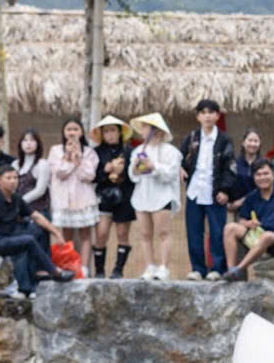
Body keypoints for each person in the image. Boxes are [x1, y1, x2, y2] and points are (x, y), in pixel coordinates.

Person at [0, 164, 75, 295]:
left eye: (15, 178)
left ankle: (38, 272)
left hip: (9, 237)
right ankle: (54, 272)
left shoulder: (16, 198)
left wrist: (56, 232)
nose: (13, 181)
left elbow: (36, 216)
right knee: (28, 240)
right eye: (8, 178)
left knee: (38, 229)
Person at [178, 99, 234, 281]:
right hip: (194, 190)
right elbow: (180, 159)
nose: (207, 116)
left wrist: (225, 190)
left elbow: (230, 167)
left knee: (217, 231)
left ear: (218, 116)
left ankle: (217, 268)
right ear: (198, 116)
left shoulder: (224, 139)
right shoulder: (191, 138)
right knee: (194, 231)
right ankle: (197, 268)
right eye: (203, 112)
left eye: (211, 112)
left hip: (215, 192)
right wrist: (179, 168)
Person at [221, 159, 274, 281]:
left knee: (267, 236)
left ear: (273, 175)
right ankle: (231, 270)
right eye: (258, 175)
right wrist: (248, 223)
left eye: (266, 174)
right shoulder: (251, 197)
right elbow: (242, 220)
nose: (262, 177)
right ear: (254, 178)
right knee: (230, 228)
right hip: (261, 238)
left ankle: (239, 269)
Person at [128, 113, 183, 281]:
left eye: (146, 127)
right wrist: (136, 168)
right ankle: (149, 266)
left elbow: (171, 174)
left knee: (163, 232)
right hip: (142, 196)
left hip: (162, 196)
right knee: (145, 234)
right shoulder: (138, 151)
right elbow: (132, 176)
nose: (142, 131)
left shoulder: (171, 151)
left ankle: (163, 267)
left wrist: (154, 166)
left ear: (157, 131)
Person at [47, 118, 100, 278]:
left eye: (75, 129)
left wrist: (79, 160)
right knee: (66, 234)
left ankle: (83, 268)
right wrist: (69, 158)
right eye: (68, 129)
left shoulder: (89, 152)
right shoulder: (56, 150)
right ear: (64, 132)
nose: (72, 132)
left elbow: (89, 176)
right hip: (63, 200)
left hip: (83, 197)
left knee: (85, 234)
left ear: (81, 132)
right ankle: (68, 265)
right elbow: (59, 172)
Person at [90, 116, 134, 279]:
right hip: (103, 197)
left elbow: (136, 175)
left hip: (124, 197)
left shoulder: (130, 151)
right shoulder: (96, 152)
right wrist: (106, 170)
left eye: (113, 130)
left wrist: (123, 170)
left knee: (122, 234)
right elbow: (92, 177)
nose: (110, 134)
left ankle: (118, 270)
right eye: (106, 131)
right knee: (101, 233)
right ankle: (99, 270)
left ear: (120, 132)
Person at [225, 129, 261, 211]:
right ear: (243, 143)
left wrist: (242, 201)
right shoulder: (234, 164)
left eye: (256, 141)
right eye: (250, 140)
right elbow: (230, 184)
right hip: (239, 209)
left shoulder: (264, 165)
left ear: (260, 144)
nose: (253, 144)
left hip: (260, 206)